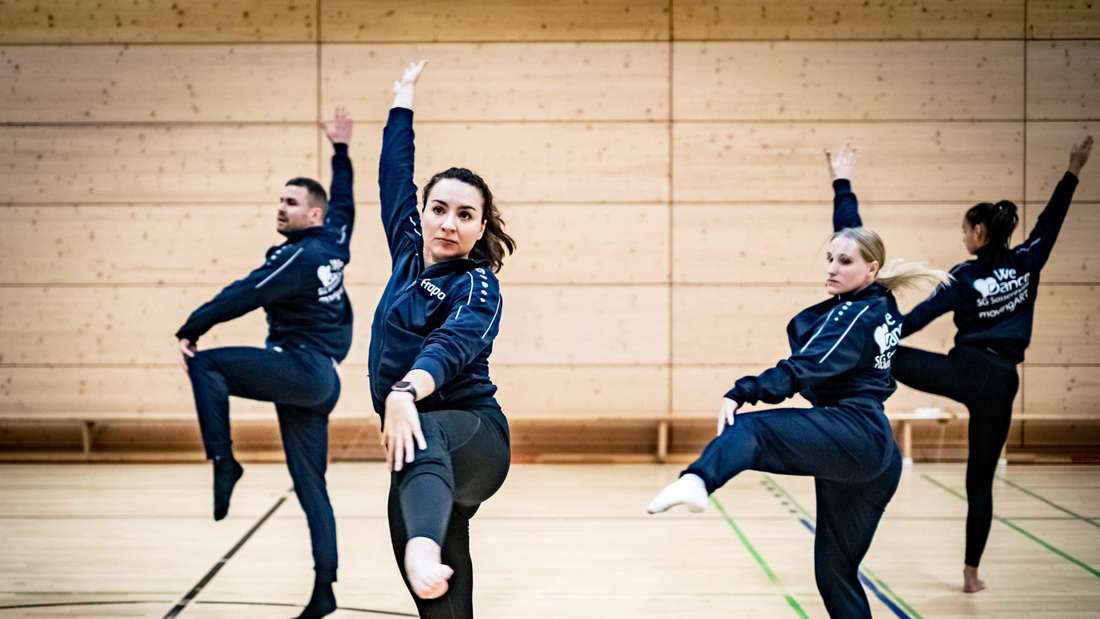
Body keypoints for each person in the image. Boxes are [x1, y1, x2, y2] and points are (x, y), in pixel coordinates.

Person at [648, 141, 947, 618]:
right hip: (875, 455)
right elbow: (850, 235)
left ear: (871, 269)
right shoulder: (879, 299)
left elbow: (804, 368)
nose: (832, 267)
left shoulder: (855, 316)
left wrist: (741, 390)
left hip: (853, 433)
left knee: (750, 429)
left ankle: (697, 481)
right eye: (829, 258)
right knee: (835, 574)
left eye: (843, 262)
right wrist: (841, 182)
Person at [174, 108, 357, 619]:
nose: (281, 208)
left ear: (311, 215)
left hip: (299, 369)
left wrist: (192, 327)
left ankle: (224, 460)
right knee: (311, 487)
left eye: (291, 203)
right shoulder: (334, 239)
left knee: (206, 365)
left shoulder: (296, 260)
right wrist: (341, 151)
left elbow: (245, 294)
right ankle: (325, 589)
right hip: (317, 380)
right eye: (280, 199)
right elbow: (345, 200)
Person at [891, 135, 1092, 593]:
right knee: (979, 482)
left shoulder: (964, 276)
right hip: (1002, 382)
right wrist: (1073, 170)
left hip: (964, 370)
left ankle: (851, 389)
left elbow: (916, 320)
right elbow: (1051, 222)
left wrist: (879, 334)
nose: (962, 237)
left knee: (889, 356)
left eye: (965, 230)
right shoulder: (1027, 260)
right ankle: (971, 575)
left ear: (980, 233)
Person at [371, 60, 515, 619]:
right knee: (441, 605)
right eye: (439, 209)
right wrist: (401, 99)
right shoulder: (409, 253)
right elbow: (392, 177)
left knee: (424, 434)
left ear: (481, 227)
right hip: (419, 456)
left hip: (475, 440)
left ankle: (423, 544)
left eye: (465, 215)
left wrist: (406, 390)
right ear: (424, 215)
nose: (448, 223)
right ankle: (427, 546)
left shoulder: (477, 284)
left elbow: (451, 346)